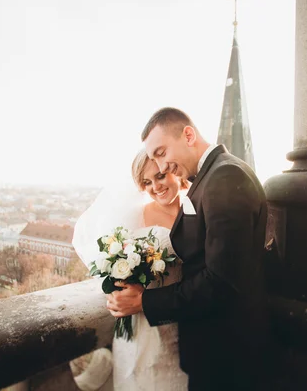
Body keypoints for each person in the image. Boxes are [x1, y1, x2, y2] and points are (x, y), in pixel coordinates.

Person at [107, 107, 272, 390]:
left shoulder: (224, 178)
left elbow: (221, 282)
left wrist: (145, 302)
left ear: (188, 134)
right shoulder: (215, 175)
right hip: (217, 348)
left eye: (161, 152)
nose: (160, 167)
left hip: (224, 354)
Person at [73, 149, 189, 391]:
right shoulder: (135, 217)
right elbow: (114, 264)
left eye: (159, 176)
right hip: (143, 325)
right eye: (146, 182)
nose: (155, 187)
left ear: (175, 171)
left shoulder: (195, 209)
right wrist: (121, 288)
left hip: (184, 324)